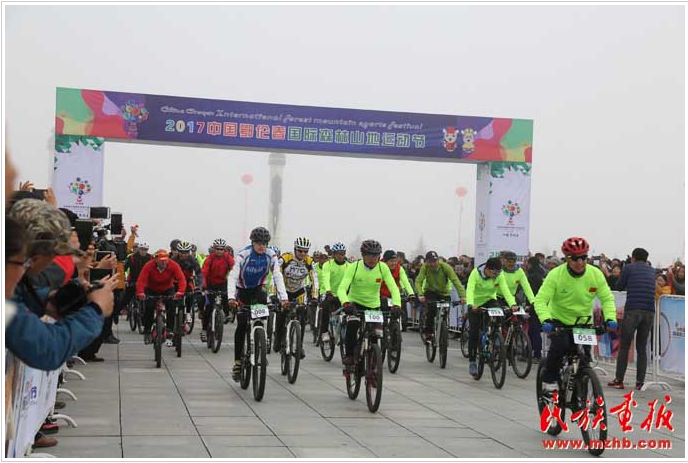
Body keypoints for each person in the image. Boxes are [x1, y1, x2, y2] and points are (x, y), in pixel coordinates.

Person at [534, 237, 618, 397]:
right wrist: (545, 319)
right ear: (567, 258)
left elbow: (607, 298)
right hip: (559, 320)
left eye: (583, 258)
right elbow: (540, 300)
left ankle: (582, 391)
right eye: (575, 258)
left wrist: (610, 318)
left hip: (583, 322)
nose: (580, 262)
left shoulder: (595, 274)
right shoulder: (555, 275)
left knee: (585, 358)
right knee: (559, 348)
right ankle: (550, 380)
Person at [228, 227, 288, 381]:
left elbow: (277, 275)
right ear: (252, 242)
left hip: (257, 290)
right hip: (242, 291)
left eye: (265, 243)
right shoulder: (244, 254)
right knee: (242, 325)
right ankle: (237, 362)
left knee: (261, 314)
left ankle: (261, 342)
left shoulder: (271, 255)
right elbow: (233, 276)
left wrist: (284, 298)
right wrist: (231, 298)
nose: (262, 246)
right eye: (258, 243)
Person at [337, 240, 401, 371]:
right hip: (355, 304)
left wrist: (397, 305)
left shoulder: (383, 267)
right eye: (369, 255)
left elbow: (394, 288)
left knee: (376, 335)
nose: (373, 259)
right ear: (363, 255)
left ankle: (373, 360)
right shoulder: (354, 267)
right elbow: (342, 288)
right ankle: (349, 355)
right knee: (353, 325)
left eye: (376, 255)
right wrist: (346, 303)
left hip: (373, 306)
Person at [608, 248, 656, 390]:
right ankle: (640, 382)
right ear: (646, 259)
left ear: (633, 258)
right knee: (641, 347)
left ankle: (619, 380)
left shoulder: (629, 268)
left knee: (624, 345)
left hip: (633, 309)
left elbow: (619, 286)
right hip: (649, 311)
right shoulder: (652, 270)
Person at [465, 257, 517, 376]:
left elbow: (505, 290)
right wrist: (470, 304)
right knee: (474, 332)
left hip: (490, 300)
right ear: (487, 269)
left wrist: (513, 304)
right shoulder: (475, 273)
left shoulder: (499, 274)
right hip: (476, 303)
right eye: (494, 273)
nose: (496, 276)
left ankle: (496, 337)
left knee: (500, 313)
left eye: (498, 273)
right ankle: (472, 361)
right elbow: (470, 290)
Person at [275, 237, 319, 356]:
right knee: (282, 314)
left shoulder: (310, 262)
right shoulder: (285, 258)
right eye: (300, 251)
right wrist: (273, 294)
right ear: (295, 249)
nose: (303, 254)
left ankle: (300, 345)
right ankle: (278, 340)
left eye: (305, 251)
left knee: (302, 315)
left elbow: (315, 280)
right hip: (284, 291)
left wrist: (315, 297)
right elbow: (276, 275)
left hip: (299, 291)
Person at [136, 250, 186, 346]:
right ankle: (147, 331)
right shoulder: (149, 265)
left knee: (172, 305)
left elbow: (181, 279)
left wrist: (180, 291)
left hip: (168, 288)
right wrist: (140, 292)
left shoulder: (173, 265)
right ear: (156, 260)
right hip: (151, 289)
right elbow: (141, 280)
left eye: (165, 260)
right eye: (161, 260)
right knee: (149, 306)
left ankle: (169, 329)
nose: (164, 263)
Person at [414, 251, 466, 342]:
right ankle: (429, 332)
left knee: (445, 312)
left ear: (438, 260)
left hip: (444, 293)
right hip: (430, 292)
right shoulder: (425, 267)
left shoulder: (446, 267)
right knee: (431, 310)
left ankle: (444, 326)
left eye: (435, 261)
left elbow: (455, 281)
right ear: (426, 262)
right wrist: (420, 294)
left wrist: (462, 296)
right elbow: (418, 281)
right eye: (430, 262)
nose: (433, 264)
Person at [200, 238, 234, 342]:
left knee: (226, 298)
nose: (219, 251)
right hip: (210, 283)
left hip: (222, 282)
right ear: (214, 249)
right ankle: (204, 330)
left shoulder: (227, 258)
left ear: (224, 250)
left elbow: (234, 270)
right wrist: (204, 286)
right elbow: (204, 273)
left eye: (221, 249)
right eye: (217, 249)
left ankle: (227, 314)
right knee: (209, 307)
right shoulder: (209, 259)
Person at [320, 242, 350, 342]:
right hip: (330, 293)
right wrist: (328, 291)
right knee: (325, 307)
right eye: (338, 254)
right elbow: (326, 278)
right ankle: (324, 331)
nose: (341, 256)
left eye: (343, 253)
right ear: (333, 254)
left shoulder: (349, 266)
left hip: (343, 295)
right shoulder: (328, 264)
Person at [173, 241, 204, 330]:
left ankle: (188, 312)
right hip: (175, 281)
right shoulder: (173, 260)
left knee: (190, 294)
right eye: (181, 252)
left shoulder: (193, 260)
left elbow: (199, 274)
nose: (184, 255)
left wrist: (199, 286)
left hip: (187, 281)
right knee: (174, 299)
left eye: (186, 252)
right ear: (178, 252)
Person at [120, 242, 152, 317]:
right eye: (142, 249)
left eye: (145, 250)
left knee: (150, 299)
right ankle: (117, 312)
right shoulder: (132, 257)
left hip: (146, 282)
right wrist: (123, 279)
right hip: (133, 280)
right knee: (125, 298)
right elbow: (124, 269)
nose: (143, 251)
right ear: (139, 249)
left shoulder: (150, 258)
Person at [524, 256, 546, 361]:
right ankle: (529, 352)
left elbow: (531, 293)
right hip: (542, 305)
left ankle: (536, 354)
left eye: (527, 263)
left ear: (530, 264)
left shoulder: (532, 277)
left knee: (534, 330)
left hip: (534, 305)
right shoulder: (542, 274)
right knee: (533, 331)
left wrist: (529, 305)